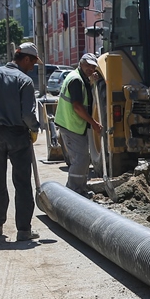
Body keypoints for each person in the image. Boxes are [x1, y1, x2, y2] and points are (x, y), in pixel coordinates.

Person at [0, 42, 42, 241]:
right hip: (17, 135)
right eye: (32, 63)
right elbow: (27, 114)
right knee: (23, 183)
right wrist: (35, 128)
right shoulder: (24, 81)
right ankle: (24, 230)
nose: (32, 68)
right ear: (25, 59)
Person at [52, 52, 104, 195]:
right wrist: (93, 123)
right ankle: (73, 191)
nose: (90, 69)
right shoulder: (76, 80)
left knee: (83, 159)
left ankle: (79, 189)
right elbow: (77, 106)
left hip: (74, 125)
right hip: (71, 125)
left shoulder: (81, 78)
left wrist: (91, 82)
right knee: (80, 160)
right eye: (87, 65)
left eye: (93, 67)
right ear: (81, 63)